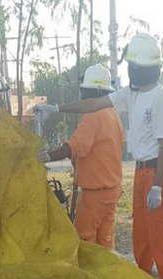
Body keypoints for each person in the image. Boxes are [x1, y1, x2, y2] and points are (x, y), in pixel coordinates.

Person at [35, 33, 163, 279]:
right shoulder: (130, 94)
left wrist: (157, 186)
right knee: (142, 235)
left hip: (154, 173)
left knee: (160, 232)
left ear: (138, 67)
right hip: (139, 172)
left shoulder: (161, 98)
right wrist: (58, 108)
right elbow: (94, 104)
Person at [39, 64, 124, 249]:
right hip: (111, 190)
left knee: (86, 242)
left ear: (90, 92)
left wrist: (47, 156)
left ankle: (91, 277)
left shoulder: (94, 116)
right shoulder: (112, 115)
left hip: (95, 194)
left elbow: (74, 147)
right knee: (105, 241)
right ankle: (107, 276)